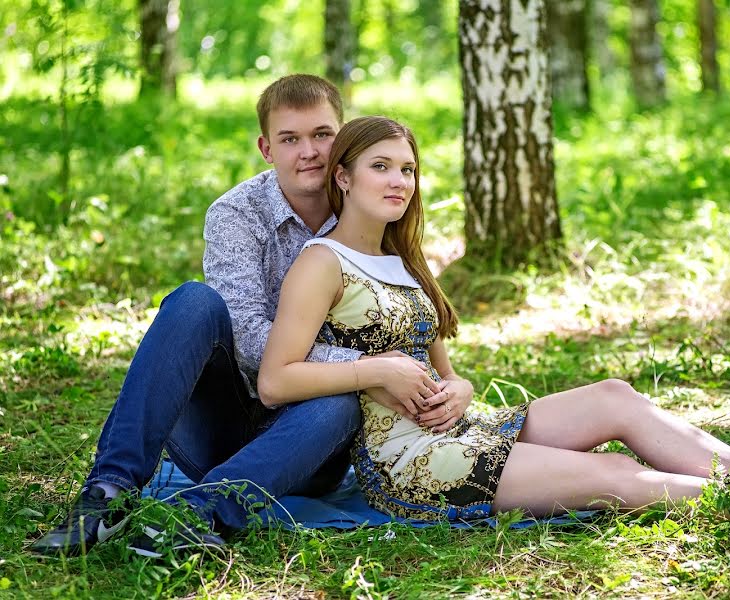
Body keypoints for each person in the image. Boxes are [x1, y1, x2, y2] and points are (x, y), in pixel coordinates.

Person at [257, 116, 730, 522]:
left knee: (613, 396)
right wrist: (375, 370)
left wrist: (462, 387)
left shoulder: (403, 260)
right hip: (410, 463)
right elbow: (276, 379)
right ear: (342, 176)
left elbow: (444, 372)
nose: (400, 182)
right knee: (614, 472)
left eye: (409, 169)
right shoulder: (323, 262)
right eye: (381, 167)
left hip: (460, 426)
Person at [32, 75, 473, 557]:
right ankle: (108, 494)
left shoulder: (371, 205)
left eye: (322, 135)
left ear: (342, 138)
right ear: (267, 148)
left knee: (340, 400)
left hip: (316, 438)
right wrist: (367, 370)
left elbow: (416, 329)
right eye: (290, 139)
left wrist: (446, 382)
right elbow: (245, 336)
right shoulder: (236, 214)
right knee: (194, 303)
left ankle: (206, 513)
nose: (309, 152)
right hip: (225, 421)